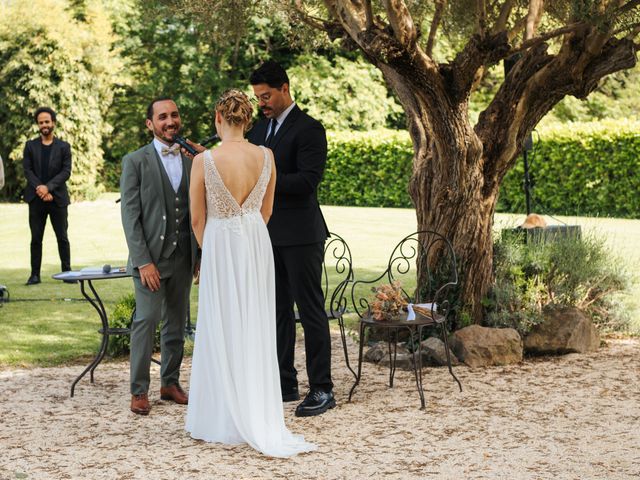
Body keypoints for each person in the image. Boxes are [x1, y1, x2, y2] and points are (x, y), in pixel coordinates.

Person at [185, 89, 316, 457]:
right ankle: (256, 410)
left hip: (221, 243)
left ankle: (222, 417)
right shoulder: (267, 156)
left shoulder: (204, 160)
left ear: (218, 119)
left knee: (222, 323)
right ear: (248, 120)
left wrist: (210, 246)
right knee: (256, 323)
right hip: (256, 242)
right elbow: (267, 211)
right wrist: (247, 235)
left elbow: (197, 218)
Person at [247, 61, 333, 417]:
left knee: (310, 310)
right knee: (277, 312)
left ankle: (322, 388)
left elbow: (306, 182)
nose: (262, 103)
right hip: (266, 234)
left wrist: (261, 180)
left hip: (301, 235)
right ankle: (284, 382)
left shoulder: (310, 129)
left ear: (284, 88)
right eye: (257, 98)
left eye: (266, 96)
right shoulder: (257, 130)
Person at [120, 97, 198, 415]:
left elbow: (197, 211)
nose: (170, 121)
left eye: (175, 115)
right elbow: (130, 216)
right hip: (150, 259)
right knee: (147, 319)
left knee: (176, 323)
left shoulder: (194, 160)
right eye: (163, 116)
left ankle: (169, 383)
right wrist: (143, 261)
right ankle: (139, 390)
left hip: (183, 257)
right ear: (150, 124)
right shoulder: (135, 161)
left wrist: (199, 255)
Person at [22, 107, 72, 286]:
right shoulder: (30, 146)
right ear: (38, 125)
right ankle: (34, 275)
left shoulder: (64, 147)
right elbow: (27, 170)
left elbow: (66, 171)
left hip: (57, 198)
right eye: (41, 122)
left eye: (47, 122)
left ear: (53, 123)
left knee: (62, 237)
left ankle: (67, 273)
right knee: (36, 238)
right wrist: (41, 190)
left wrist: (48, 188)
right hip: (36, 199)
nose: (44, 125)